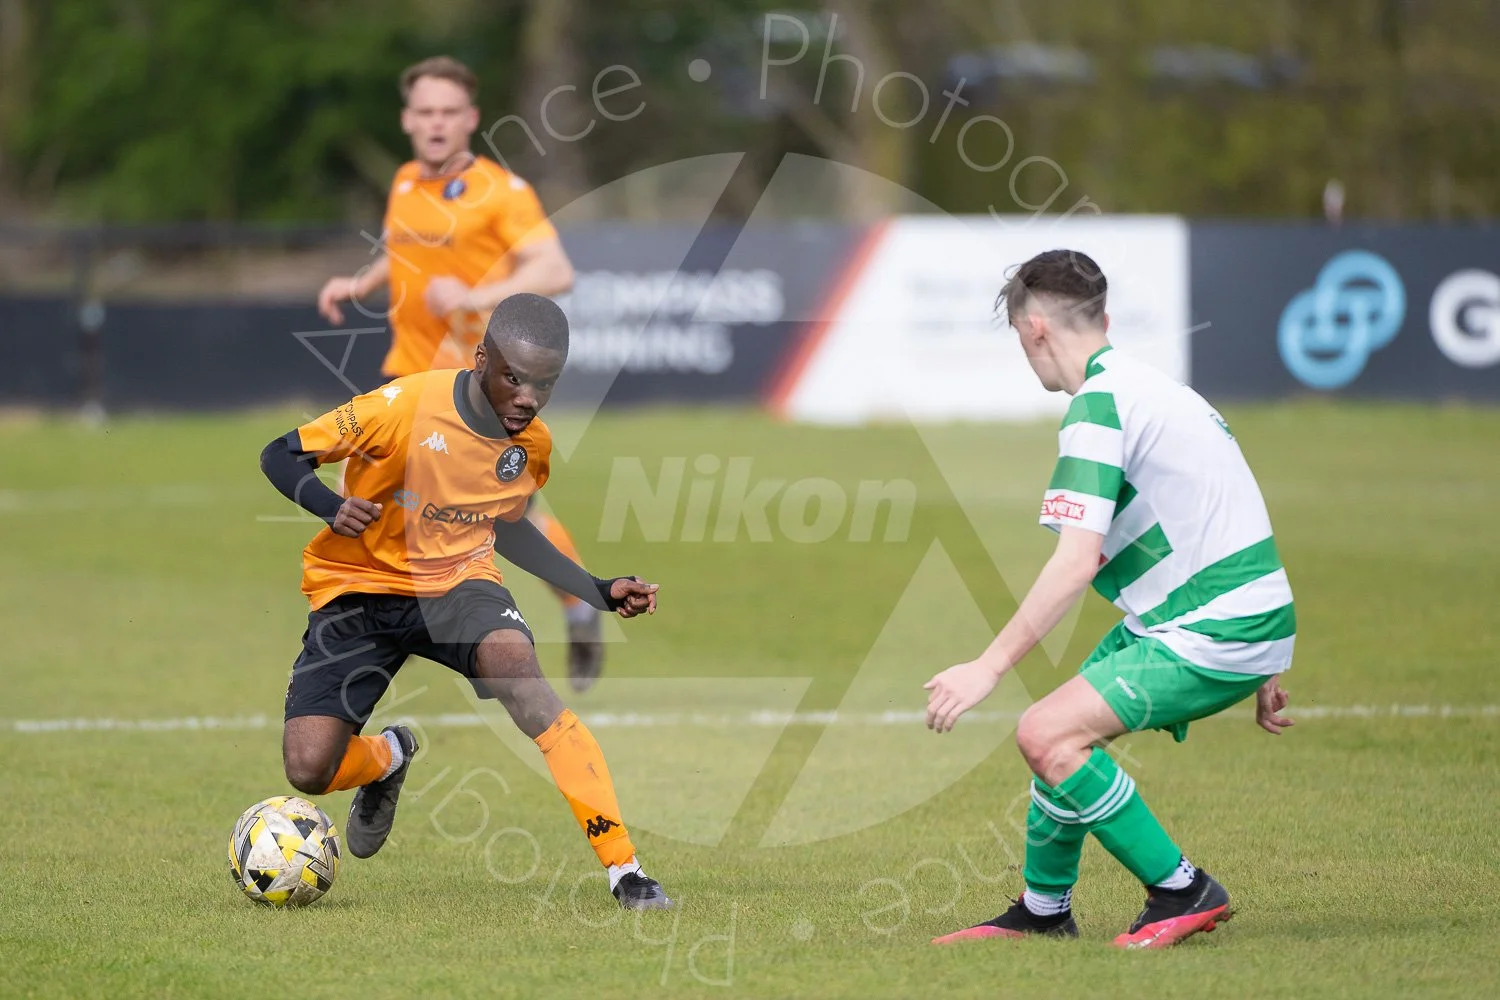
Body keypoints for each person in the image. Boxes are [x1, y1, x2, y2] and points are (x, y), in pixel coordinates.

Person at [925, 250, 1295, 949]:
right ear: (1105, 320)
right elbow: (1225, 506)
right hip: (1226, 615)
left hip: (1214, 623)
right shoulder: (1158, 390)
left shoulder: (1099, 406)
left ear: (1034, 328)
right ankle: (1043, 911)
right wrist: (1269, 653)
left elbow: (1072, 566)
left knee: (1046, 732)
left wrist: (988, 666)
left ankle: (1181, 889)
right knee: (1061, 728)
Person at [259, 293, 671, 910]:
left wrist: (596, 590)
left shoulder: (530, 446)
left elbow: (506, 524)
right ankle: (390, 757)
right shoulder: (400, 407)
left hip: (458, 585)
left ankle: (626, 871)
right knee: (309, 769)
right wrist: (329, 505)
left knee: (525, 681)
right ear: (481, 360)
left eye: (544, 384)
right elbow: (279, 453)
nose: (527, 398)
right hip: (358, 588)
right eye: (513, 378)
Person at [315, 55, 605, 693]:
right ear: (407, 119)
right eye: (425, 112)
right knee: (369, 488)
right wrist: (359, 281)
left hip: (470, 390)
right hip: (406, 378)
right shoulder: (403, 182)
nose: (436, 123)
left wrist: (475, 296)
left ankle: (573, 607)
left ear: (470, 119)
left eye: (449, 112)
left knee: (505, 517)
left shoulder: (501, 192)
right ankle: (372, 628)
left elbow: (556, 272)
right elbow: (405, 252)